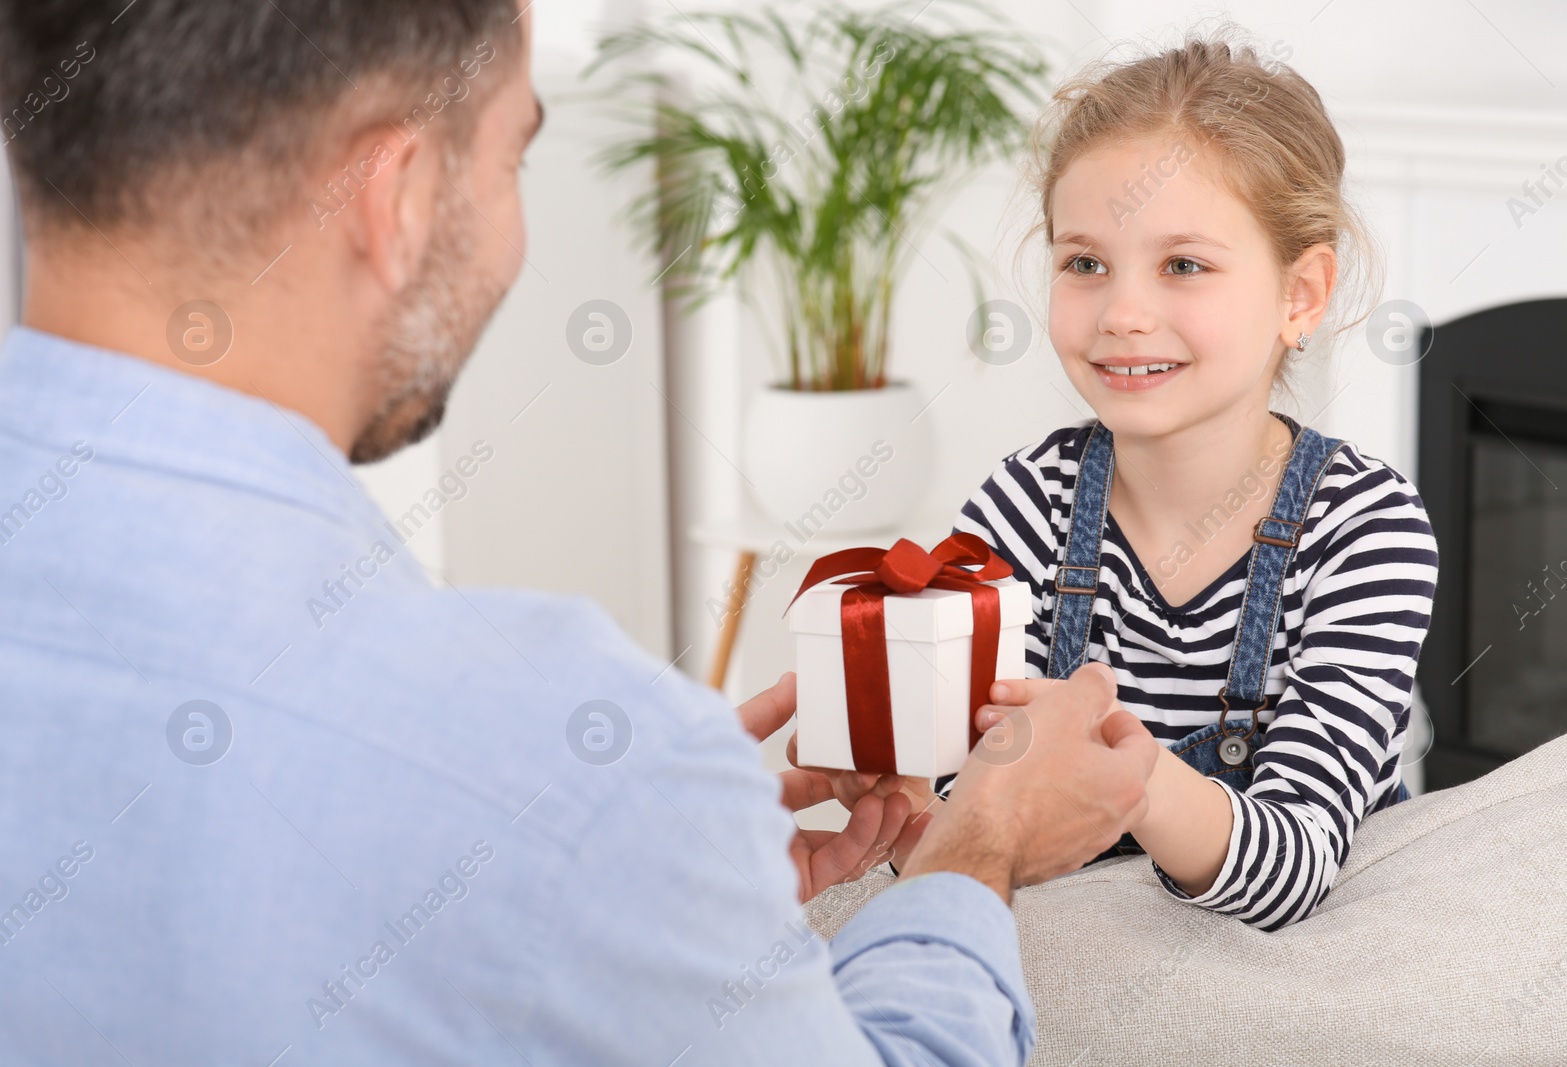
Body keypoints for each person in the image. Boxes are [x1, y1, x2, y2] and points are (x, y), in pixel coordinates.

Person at [0, 3, 1159, 1064]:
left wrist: (651, 878)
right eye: (513, 156)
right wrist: (977, 849)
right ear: (393, 201)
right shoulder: (552, 755)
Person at [919, 34, 1440, 932]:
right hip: (1082, 951)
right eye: (1085, 263)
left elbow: (1296, 867)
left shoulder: (1368, 529)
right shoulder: (1023, 505)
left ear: (1301, 295)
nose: (1123, 312)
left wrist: (1117, 770)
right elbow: (956, 806)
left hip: (1300, 976)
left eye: (1184, 265)